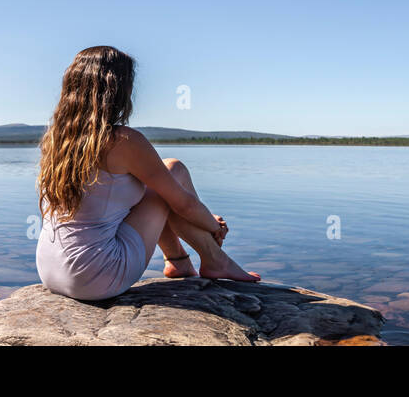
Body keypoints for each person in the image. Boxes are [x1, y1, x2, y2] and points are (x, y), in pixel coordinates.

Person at [35, 45, 259, 301]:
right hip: (93, 276)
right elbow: (184, 204)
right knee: (173, 169)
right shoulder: (123, 140)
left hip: (50, 268)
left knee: (155, 181)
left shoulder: (57, 139)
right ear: (118, 89)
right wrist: (213, 226)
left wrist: (204, 216)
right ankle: (215, 260)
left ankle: (178, 262)